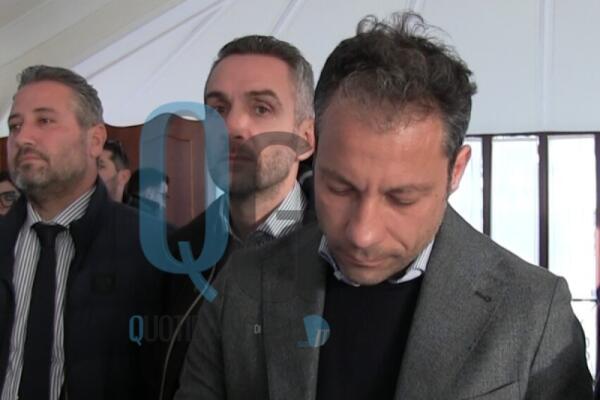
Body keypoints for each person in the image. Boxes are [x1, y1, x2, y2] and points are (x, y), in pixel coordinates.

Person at [175, 12, 593, 400]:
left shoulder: (533, 313)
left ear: (456, 171)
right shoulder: (243, 285)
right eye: (340, 188)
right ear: (314, 147)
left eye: (401, 197)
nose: (363, 233)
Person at [159, 35, 316, 399]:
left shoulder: (343, 252)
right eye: (217, 109)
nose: (232, 127)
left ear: (306, 139)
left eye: (261, 108)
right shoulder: (177, 255)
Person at [0, 65, 164, 400]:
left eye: (44, 121)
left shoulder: (153, 249)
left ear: (95, 140)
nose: (23, 138)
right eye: (15, 125)